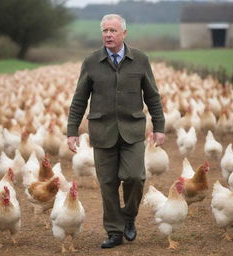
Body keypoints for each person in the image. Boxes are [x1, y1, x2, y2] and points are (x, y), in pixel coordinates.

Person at [67, 14, 165, 249]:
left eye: (112, 30)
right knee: (108, 184)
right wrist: (72, 131)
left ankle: (129, 216)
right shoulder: (91, 62)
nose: (108, 35)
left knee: (135, 177)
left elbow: (152, 95)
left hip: (132, 130)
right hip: (102, 131)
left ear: (124, 33)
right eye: (104, 31)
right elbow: (79, 99)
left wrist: (159, 127)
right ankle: (114, 231)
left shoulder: (140, 59)